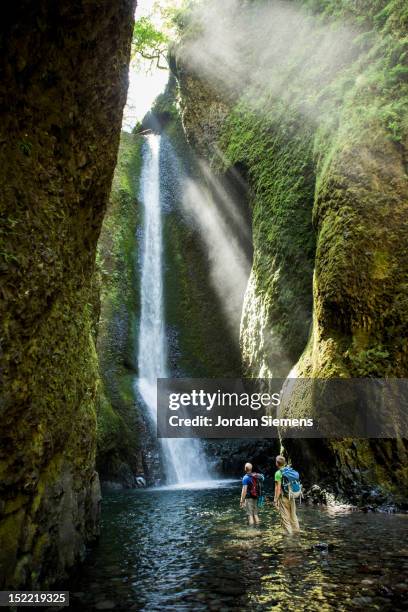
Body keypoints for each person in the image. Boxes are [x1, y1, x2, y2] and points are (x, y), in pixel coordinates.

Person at [273, 455, 300, 535]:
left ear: (277, 464)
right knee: (293, 515)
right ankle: (297, 532)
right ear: (284, 463)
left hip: (284, 497)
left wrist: (275, 500)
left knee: (285, 518)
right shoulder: (289, 470)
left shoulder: (278, 473)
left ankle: (289, 537)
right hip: (292, 496)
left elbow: (277, 489)